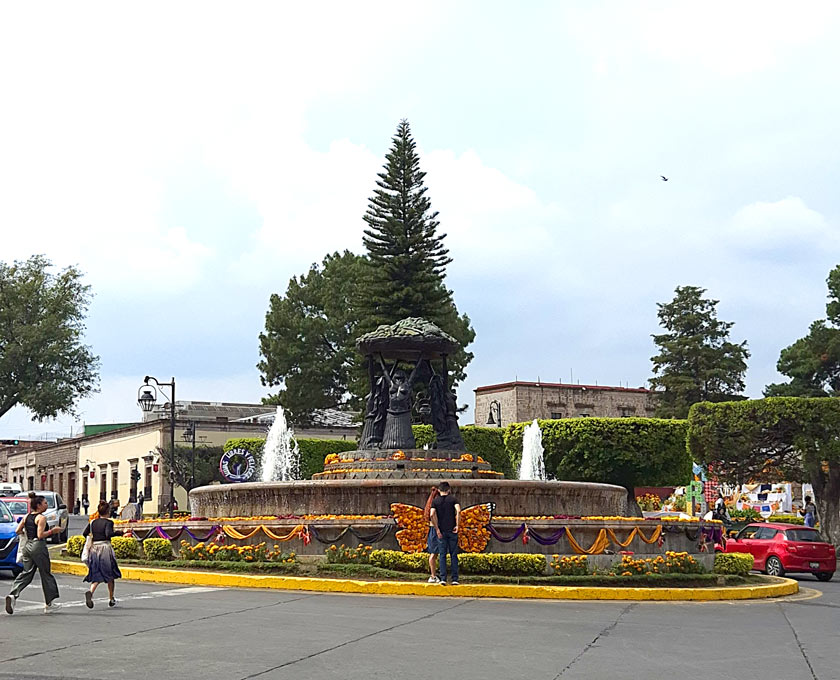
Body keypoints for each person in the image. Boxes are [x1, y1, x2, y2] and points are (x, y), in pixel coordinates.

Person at [5, 493, 62, 614]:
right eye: (45, 503)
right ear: (39, 505)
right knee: (45, 573)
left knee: (26, 573)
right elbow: (41, 535)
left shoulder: (27, 516)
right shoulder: (41, 518)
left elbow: (18, 530)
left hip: (27, 546)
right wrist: (52, 531)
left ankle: (13, 595)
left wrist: (26, 533)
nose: (47, 505)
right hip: (38, 546)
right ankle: (49, 603)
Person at [82, 500, 125, 608]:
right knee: (110, 573)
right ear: (108, 511)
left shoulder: (93, 522)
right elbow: (108, 534)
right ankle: (111, 598)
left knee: (97, 573)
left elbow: (84, 533)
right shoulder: (108, 522)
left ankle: (90, 592)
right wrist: (119, 533)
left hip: (94, 549)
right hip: (105, 548)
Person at [430, 481, 461, 585]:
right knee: (453, 554)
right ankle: (455, 579)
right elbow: (459, 511)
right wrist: (457, 525)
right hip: (452, 530)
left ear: (439, 490)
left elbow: (431, 514)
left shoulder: (436, 501)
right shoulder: (453, 499)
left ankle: (443, 578)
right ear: (449, 490)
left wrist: (437, 529)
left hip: (441, 531)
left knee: (442, 555)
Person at [423, 486, 441, 583]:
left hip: (432, 529)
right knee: (434, 553)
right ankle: (433, 575)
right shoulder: (435, 504)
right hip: (435, 529)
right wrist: (437, 528)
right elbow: (432, 515)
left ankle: (434, 574)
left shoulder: (430, 504)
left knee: (435, 553)